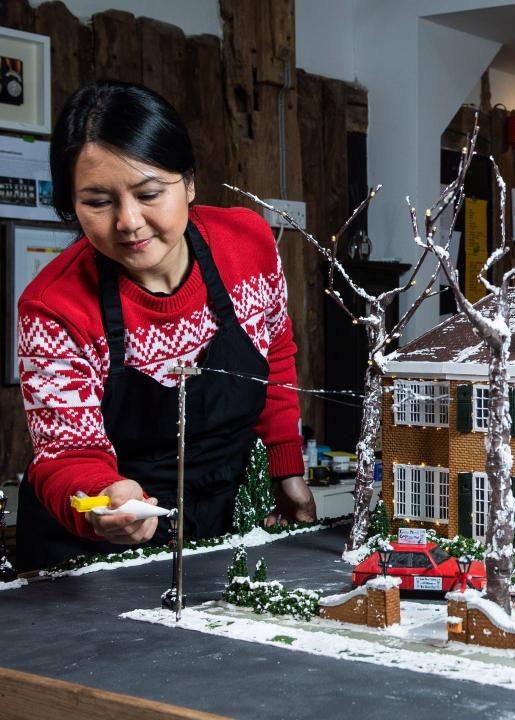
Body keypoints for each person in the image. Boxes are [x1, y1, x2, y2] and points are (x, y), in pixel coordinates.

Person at [16, 80, 316, 571]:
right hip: (99, 550)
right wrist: (103, 499)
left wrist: (287, 470)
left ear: (189, 183)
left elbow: (275, 354)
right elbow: (64, 453)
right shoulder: (54, 305)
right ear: (72, 204)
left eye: (149, 192)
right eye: (97, 201)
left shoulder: (247, 242)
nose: (128, 221)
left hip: (223, 519)